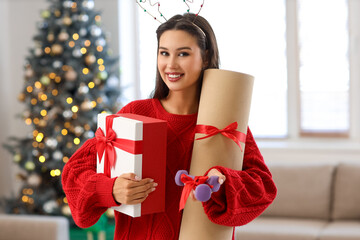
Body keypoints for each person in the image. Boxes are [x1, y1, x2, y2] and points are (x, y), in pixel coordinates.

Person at [62, 13, 277, 240]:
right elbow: (74, 172)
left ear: (205, 57)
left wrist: (223, 181)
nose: (171, 64)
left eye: (183, 53)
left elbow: (263, 187)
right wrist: (111, 189)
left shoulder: (224, 123)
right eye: (164, 53)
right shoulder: (135, 114)